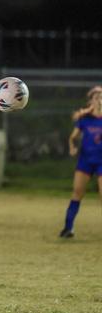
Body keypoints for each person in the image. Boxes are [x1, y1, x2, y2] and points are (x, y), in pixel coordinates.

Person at [60, 86, 102, 238]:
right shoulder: (85, 119)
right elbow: (73, 137)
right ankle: (68, 228)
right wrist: (72, 147)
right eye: (97, 97)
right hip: (86, 160)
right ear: (91, 101)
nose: (100, 99)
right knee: (77, 192)